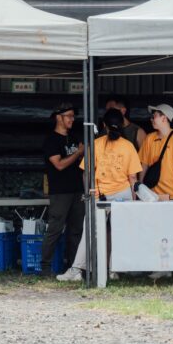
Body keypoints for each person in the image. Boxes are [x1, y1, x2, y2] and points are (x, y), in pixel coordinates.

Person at [57, 108, 141, 282]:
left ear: (103, 125)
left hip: (98, 193)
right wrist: (134, 201)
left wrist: (88, 193)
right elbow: (133, 178)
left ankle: (76, 270)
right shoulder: (128, 146)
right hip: (123, 194)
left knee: (89, 232)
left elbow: (86, 174)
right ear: (122, 124)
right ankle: (113, 270)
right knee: (119, 233)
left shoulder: (95, 144)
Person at [40, 102, 84, 276]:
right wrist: (78, 153)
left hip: (77, 190)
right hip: (60, 192)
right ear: (59, 117)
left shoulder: (74, 137)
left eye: (73, 116)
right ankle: (45, 267)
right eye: (69, 116)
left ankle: (74, 267)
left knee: (76, 230)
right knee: (55, 229)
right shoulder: (51, 140)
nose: (72, 119)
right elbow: (58, 164)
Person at [139, 104, 173, 200]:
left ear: (164, 118)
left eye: (154, 116)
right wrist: (141, 187)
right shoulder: (149, 138)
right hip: (153, 194)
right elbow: (144, 164)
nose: (151, 119)